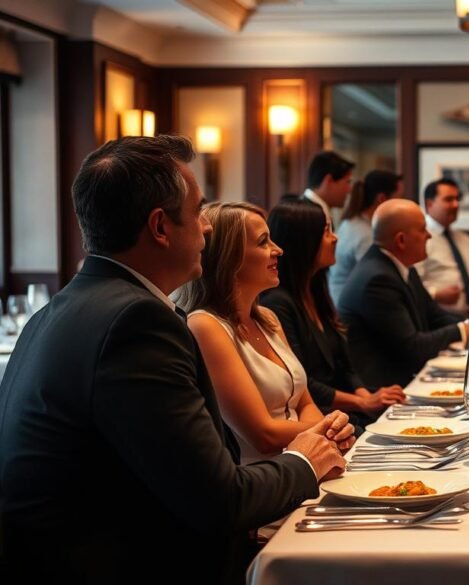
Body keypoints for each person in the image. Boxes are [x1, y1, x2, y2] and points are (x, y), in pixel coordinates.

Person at [0, 136, 351, 583]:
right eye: (199, 211)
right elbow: (220, 502)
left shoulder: (60, 308)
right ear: (161, 228)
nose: (207, 227)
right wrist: (305, 461)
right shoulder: (136, 322)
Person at [178, 202, 335, 464]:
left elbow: (304, 403)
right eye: (263, 242)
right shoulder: (206, 325)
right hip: (261, 481)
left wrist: (326, 433)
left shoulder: (268, 319)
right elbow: (263, 434)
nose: (278, 250)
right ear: (230, 257)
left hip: (306, 464)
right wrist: (327, 430)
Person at [262, 196, 406, 425]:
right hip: (319, 416)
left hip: (343, 409)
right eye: (326, 231)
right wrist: (362, 403)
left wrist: (366, 396)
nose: (335, 238)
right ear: (304, 242)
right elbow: (301, 381)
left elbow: (344, 365)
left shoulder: (317, 291)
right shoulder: (277, 303)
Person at [339, 199, 469, 387]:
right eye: (423, 230)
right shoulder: (377, 279)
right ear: (401, 240)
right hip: (381, 391)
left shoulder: (401, 266)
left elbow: (434, 315)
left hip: (405, 377)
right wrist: (462, 331)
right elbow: (412, 347)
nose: (429, 236)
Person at [328, 169, 402, 307]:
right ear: (382, 199)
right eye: (399, 198)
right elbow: (379, 278)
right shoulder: (365, 235)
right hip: (347, 312)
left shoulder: (352, 222)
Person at [416, 178, 469, 318]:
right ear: (429, 204)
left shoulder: (465, 239)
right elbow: (411, 284)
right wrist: (436, 295)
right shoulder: (419, 238)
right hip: (436, 321)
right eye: (448, 199)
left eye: (457, 199)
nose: (456, 204)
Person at [303, 150, 354, 229]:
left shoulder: (314, 211)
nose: (350, 190)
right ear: (329, 181)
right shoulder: (308, 215)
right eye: (347, 182)